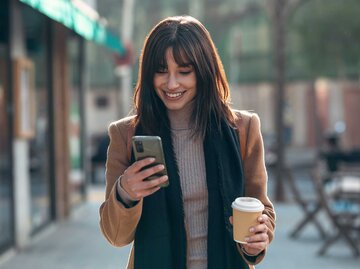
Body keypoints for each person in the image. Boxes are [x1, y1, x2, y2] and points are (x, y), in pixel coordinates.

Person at [99, 15, 275, 269]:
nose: (171, 83)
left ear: (203, 71)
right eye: (161, 71)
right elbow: (115, 236)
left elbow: (261, 210)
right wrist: (126, 192)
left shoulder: (243, 130)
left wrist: (258, 238)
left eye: (184, 72)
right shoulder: (125, 135)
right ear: (148, 74)